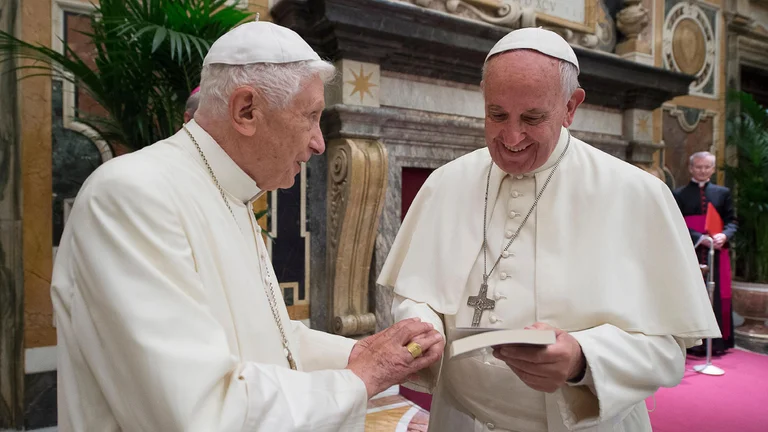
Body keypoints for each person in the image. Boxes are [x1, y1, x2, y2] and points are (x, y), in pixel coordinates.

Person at [51, 22, 443, 432]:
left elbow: (273, 339)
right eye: (310, 117)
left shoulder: (231, 193)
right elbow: (197, 410)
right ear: (246, 111)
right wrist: (364, 376)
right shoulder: (132, 195)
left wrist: (363, 352)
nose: (318, 142)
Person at [378, 28, 720, 432]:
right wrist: (424, 327)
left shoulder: (636, 194)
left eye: (533, 118)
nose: (511, 137)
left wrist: (581, 359)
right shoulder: (447, 183)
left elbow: (668, 353)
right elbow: (417, 294)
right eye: (497, 114)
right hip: (460, 419)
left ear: (571, 107)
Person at [673, 151, 738, 356]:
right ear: (691, 168)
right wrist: (699, 238)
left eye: (707, 167)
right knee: (691, 294)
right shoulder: (678, 194)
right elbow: (675, 222)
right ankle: (692, 342)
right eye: (698, 167)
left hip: (717, 252)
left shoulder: (723, 192)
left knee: (717, 296)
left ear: (712, 168)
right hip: (690, 250)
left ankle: (717, 344)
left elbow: (732, 221)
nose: (702, 171)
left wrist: (724, 236)